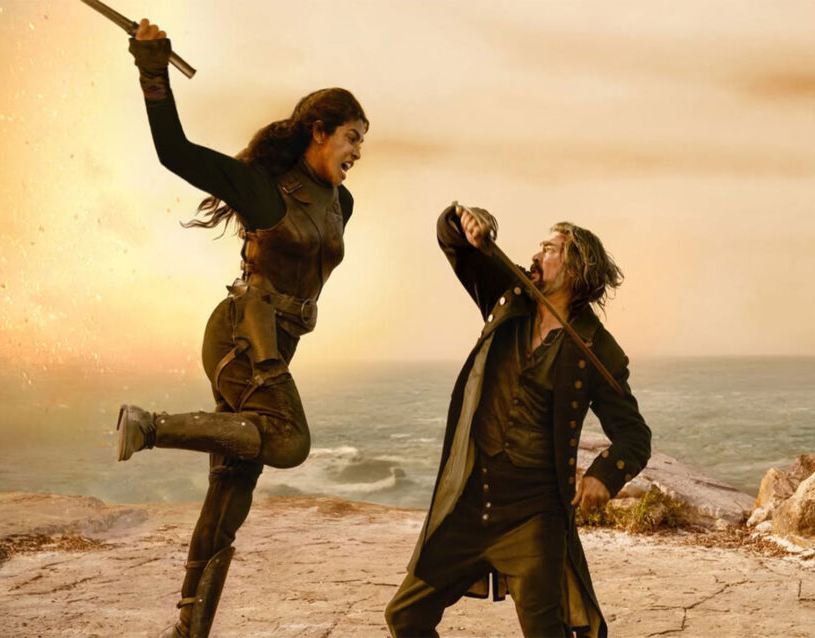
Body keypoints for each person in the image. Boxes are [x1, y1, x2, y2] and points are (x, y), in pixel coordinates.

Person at [113, 19, 367, 638]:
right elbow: (175, 152)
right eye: (352, 137)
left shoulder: (342, 203)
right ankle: (150, 425)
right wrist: (152, 69)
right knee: (290, 442)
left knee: (232, 490)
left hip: (276, 347)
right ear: (320, 131)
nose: (358, 152)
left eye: (363, 142)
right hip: (239, 339)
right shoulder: (264, 190)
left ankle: (188, 626)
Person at [385, 204, 651, 637]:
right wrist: (467, 222)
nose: (536, 254)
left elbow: (634, 436)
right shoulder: (507, 298)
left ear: (576, 268)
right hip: (470, 502)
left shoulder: (596, 349)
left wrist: (603, 476)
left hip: (533, 515)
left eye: (549, 248)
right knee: (405, 616)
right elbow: (454, 243)